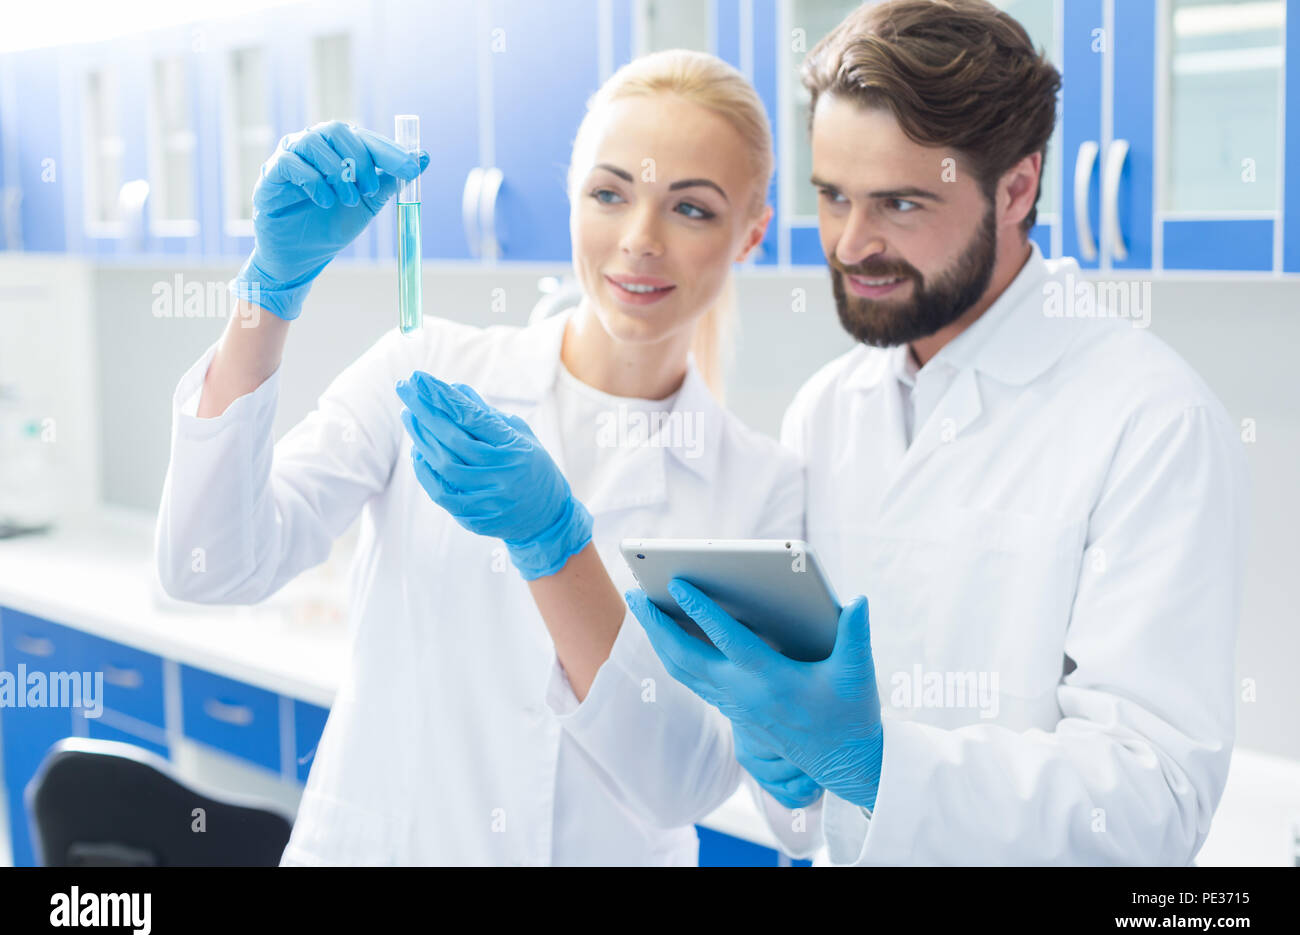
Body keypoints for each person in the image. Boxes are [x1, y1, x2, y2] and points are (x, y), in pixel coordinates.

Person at [629, 0, 1251, 865]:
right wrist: (783, 759)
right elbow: (813, 818)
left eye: (901, 203)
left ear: (1019, 187)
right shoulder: (828, 407)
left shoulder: (1151, 422)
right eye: (834, 197)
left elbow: (1152, 807)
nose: (852, 244)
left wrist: (881, 765)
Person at [155, 49, 804, 865]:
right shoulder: (425, 370)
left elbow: (685, 782)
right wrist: (267, 293)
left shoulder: (764, 489)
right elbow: (208, 565)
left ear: (753, 233)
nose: (639, 241)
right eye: (610, 194)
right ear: (572, 197)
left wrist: (554, 545)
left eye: (693, 209)